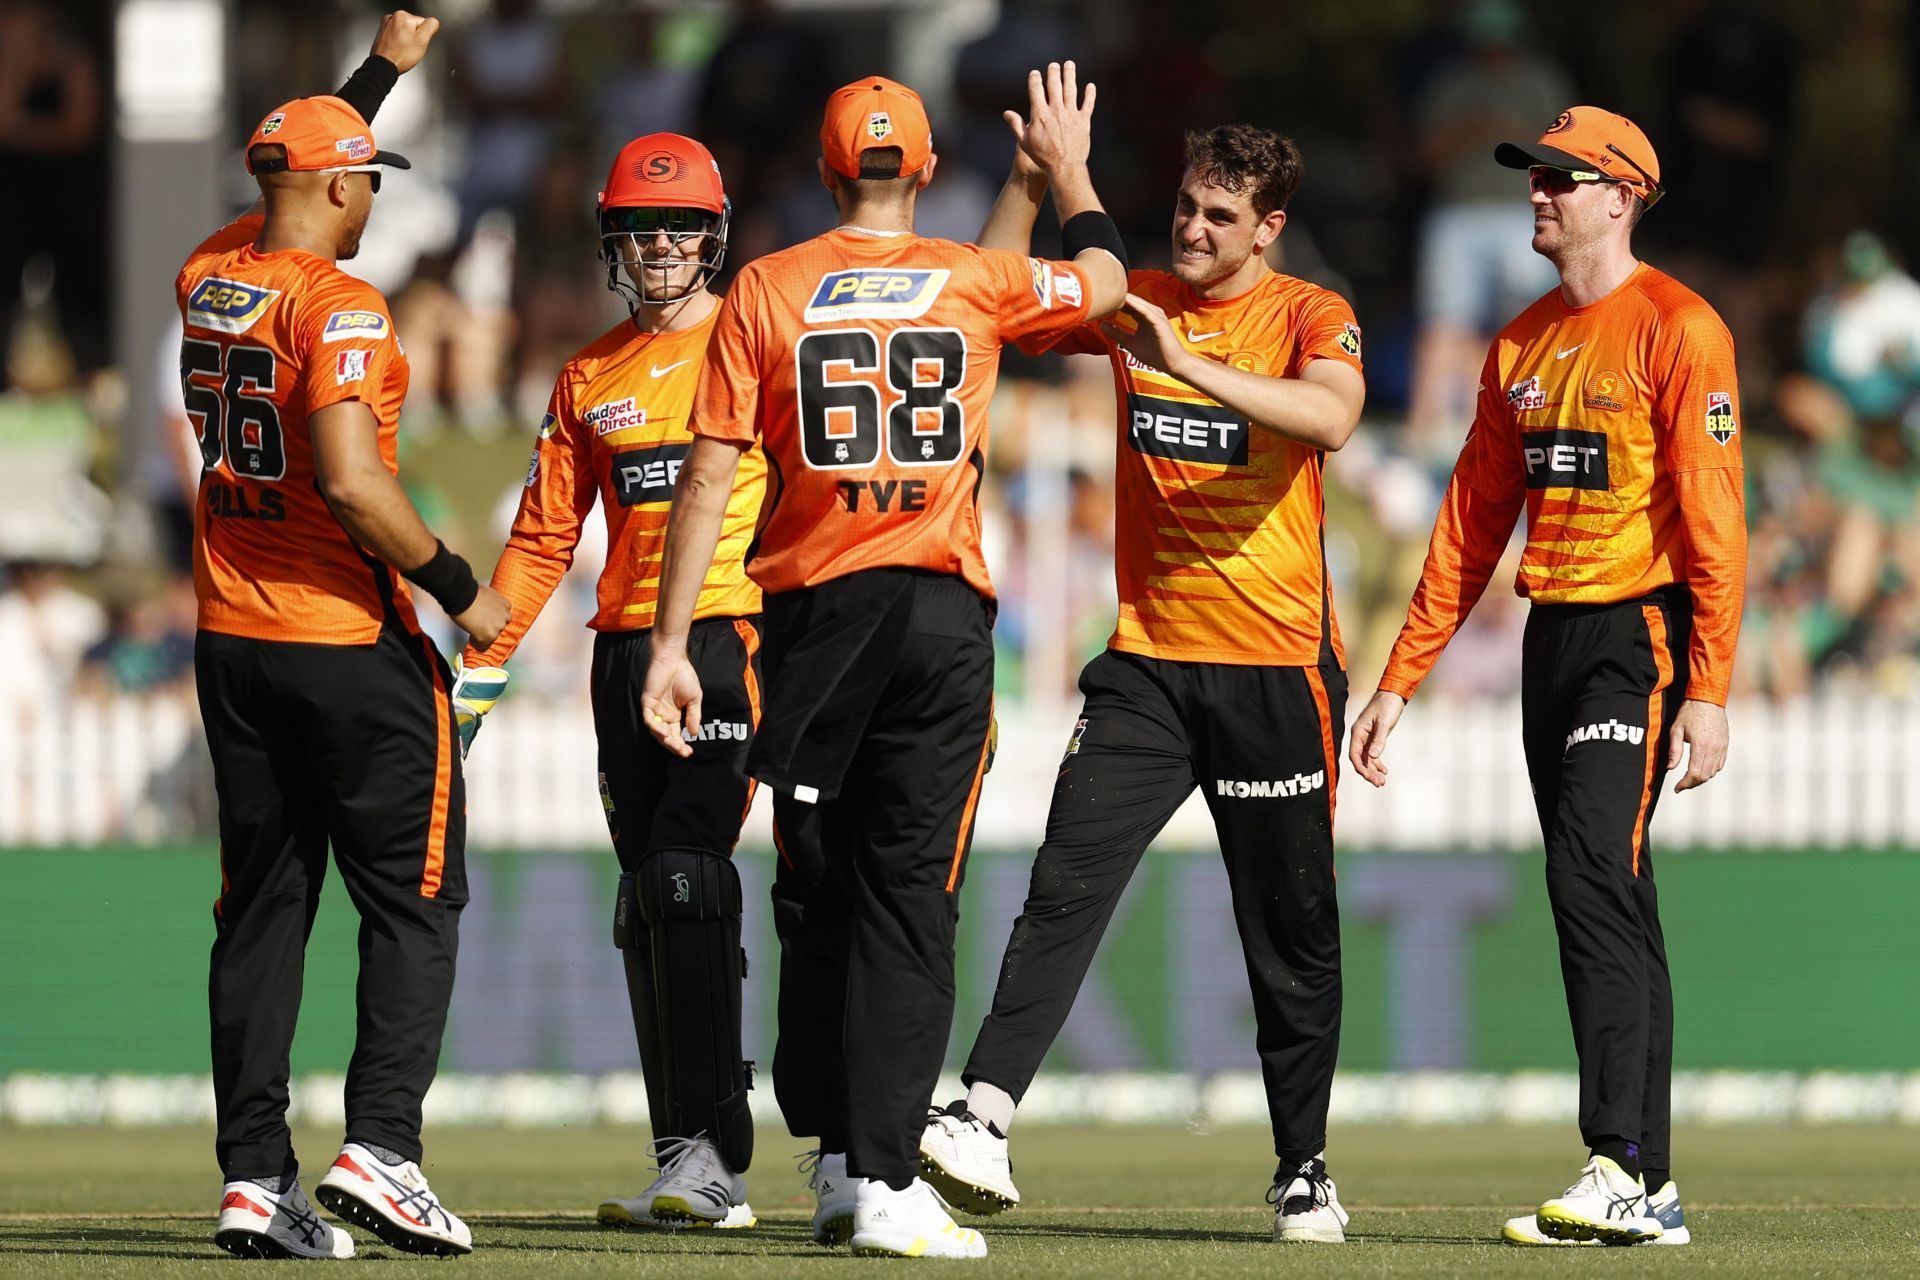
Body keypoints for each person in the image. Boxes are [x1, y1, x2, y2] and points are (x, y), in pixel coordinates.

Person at [640, 66, 1126, 1259]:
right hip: (937, 615)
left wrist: (667, 639)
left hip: (811, 620)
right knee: (913, 897)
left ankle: (843, 1158)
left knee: (819, 892)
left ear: (822, 168)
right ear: (921, 169)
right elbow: (1102, 286)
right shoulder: (968, 278)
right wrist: (1061, 172)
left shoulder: (765, 285)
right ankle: (891, 1177)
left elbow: (708, 473)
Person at [916, 123, 1367, 1245]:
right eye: (1186, 206)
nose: (1195, 227)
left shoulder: (1310, 313)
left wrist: (1184, 363)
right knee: (1065, 884)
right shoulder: (1139, 298)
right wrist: (1047, 178)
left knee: (1291, 929)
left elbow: (1334, 416)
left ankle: (1302, 1165)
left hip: (1274, 672)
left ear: (1269, 228)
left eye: (1222, 215)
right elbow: (991, 307)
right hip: (1149, 664)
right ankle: (983, 1112)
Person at [1347, 106, 1745, 1248]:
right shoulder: (1518, 343)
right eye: (1535, 176)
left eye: (1561, 179)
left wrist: (1708, 686)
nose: (1538, 193)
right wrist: (1400, 678)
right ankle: (1652, 1185)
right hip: (1551, 641)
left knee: (1587, 878)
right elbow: (1471, 525)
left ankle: (1616, 1159)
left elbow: (1717, 524)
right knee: (1612, 891)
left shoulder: (1681, 328)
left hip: (1638, 635)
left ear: (1621, 196)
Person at [177, 12, 509, 1260]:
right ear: (332, 184)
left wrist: (374, 78)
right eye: (365, 174)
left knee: (261, 909)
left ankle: (255, 1177)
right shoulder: (343, 304)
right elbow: (358, 486)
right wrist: (460, 586)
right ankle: (384, 1148)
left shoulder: (210, 273)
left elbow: (280, 173)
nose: (372, 194)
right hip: (342, 637)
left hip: (231, 638)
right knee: (418, 897)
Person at [459, 132, 766, 1231]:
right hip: (620, 650)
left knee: (688, 875)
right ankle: (685, 1151)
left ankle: (726, 1153)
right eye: (640, 228)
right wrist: (477, 678)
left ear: (714, 233)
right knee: (646, 901)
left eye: (680, 226)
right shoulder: (589, 374)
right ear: (611, 241)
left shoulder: (757, 337)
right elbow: (543, 540)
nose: (661, 246)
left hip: (731, 637)